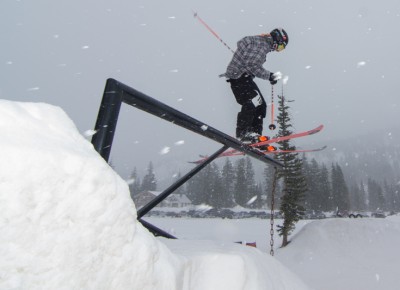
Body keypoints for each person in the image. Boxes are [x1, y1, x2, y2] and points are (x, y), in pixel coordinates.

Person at [220, 28, 289, 143]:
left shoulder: (261, 43)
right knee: (252, 102)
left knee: (261, 105)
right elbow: (252, 66)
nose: (278, 50)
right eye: (280, 47)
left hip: (244, 77)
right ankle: (243, 133)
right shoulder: (261, 47)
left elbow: (249, 57)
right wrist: (269, 76)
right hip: (238, 77)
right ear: (277, 41)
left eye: (281, 49)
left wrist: (270, 76)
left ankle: (256, 136)